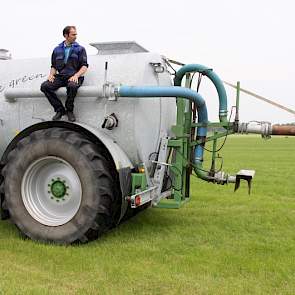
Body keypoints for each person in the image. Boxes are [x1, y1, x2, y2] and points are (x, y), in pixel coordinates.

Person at [41, 26, 88, 122]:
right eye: (73, 34)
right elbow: (54, 66)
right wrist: (51, 75)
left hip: (74, 76)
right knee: (45, 86)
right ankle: (59, 110)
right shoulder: (56, 50)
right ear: (66, 35)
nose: (76, 36)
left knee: (72, 86)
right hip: (61, 77)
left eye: (76, 34)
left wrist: (76, 76)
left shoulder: (80, 49)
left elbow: (84, 66)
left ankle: (69, 110)